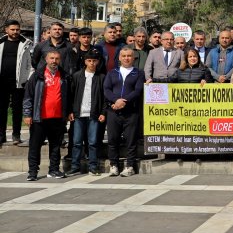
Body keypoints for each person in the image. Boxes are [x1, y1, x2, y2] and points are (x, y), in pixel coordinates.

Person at [23, 50, 71, 181]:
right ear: (46, 59)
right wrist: (27, 114)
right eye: (51, 58)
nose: (54, 61)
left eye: (56, 58)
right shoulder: (37, 76)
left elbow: (69, 97)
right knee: (35, 146)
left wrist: (67, 113)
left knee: (55, 145)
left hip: (57, 118)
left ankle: (54, 169)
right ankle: (33, 172)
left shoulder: (64, 76)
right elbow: (28, 96)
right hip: (40, 118)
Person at [104, 47, 144, 177]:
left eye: (129, 56)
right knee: (113, 140)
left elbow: (137, 91)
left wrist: (123, 102)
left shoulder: (138, 73)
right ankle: (114, 165)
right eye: (124, 56)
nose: (127, 58)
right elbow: (107, 90)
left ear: (133, 58)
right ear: (120, 58)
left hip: (131, 112)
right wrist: (116, 101)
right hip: (113, 111)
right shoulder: (112, 72)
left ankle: (130, 166)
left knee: (130, 140)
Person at [67, 48, 105, 176]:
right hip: (79, 114)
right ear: (85, 61)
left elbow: (105, 98)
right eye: (89, 60)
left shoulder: (101, 77)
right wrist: (70, 111)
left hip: (93, 114)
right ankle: (75, 166)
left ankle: (93, 166)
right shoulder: (77, 76)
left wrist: (103, 112)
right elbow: (70, 95)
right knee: (77, 142)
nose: (92, 63)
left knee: (93, 142)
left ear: (98, 62)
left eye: (94, 61)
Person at [0, 20, 33, 145]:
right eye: (12, 29)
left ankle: (16, 135)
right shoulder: (1, 43)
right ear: (6, 30)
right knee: (1, 109)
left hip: (19, 83)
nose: (15, 32)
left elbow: (30, 64)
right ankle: (1, 135)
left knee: (17, 109)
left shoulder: (26, 44)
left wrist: (27, 79)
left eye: (17, 29)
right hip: (1, 82)